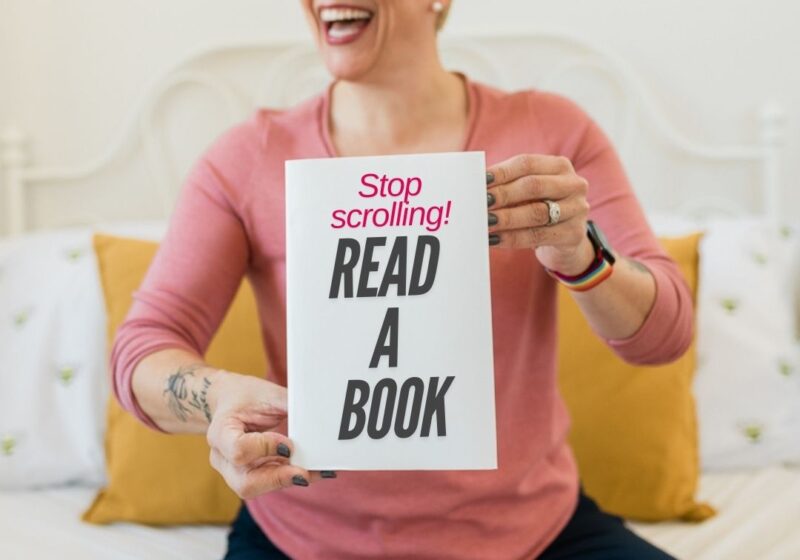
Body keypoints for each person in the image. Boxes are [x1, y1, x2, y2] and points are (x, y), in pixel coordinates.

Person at [110, 1, 692, 558]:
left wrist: (579, 254)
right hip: (302, 538)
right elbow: (143, 349)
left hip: (532, 532)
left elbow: (664, 333)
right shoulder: (247, 157)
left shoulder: (551, 133)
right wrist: (214, 399)